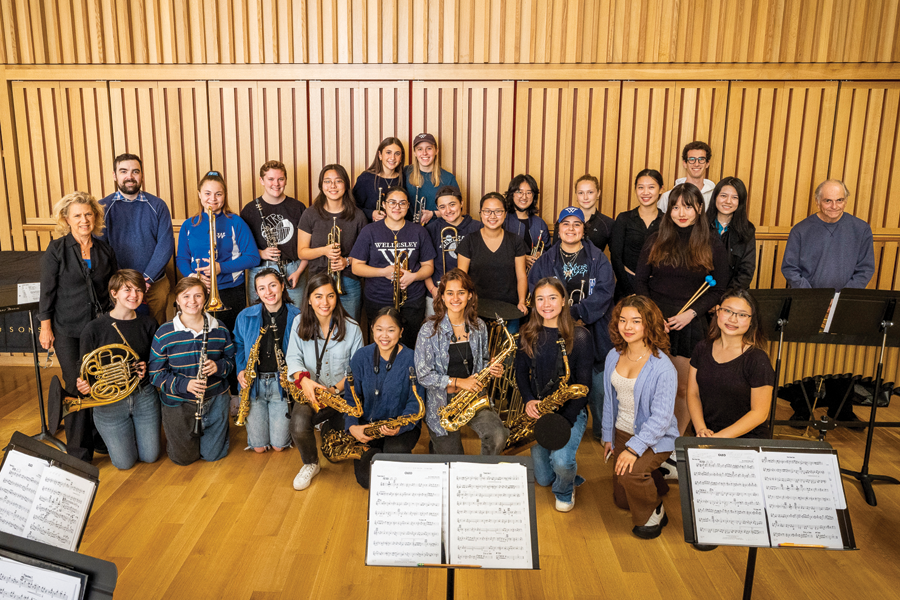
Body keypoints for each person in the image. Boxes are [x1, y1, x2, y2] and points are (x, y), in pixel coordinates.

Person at [634, 184, 728, 482]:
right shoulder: (655, 240)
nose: (681, 213)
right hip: (656, 323)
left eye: (688, 206)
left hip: (690, 322)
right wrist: (653, 316)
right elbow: (640, 282)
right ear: (668, 210)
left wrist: (692, 313)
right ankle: (650, 441)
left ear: (699, 208)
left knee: (684, 389)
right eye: (675, 207)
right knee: (652, 388)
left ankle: (673, 447)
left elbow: (720, 287)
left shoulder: (712, 243)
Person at [38, 191, 118, 462]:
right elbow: (47, 292)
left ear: (94, 216)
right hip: (67, 329)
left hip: (97, 329)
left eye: (88, 214)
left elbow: (112, 291)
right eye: (77, 215)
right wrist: (45, 327)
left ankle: (97, 439)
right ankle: (78, 454)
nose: (84, 220)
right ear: (66, 219)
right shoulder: (56, 250)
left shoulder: (105, 249)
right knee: (76, 386)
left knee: (98, 382)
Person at [529, 207, 615, 441]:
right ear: (558, 229)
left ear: (583, 229)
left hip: (592, 331)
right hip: (553, 330)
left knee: (597, 388)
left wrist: (573, 313)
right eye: (565, 224)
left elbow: (605, 292)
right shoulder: (546, 260)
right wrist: (556, 316)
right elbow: (536, 291)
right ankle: (557, 427)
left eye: (576, 224)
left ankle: (602, 435)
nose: (571, 228)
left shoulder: (598, 258)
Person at [175, 171, 259, 394]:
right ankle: (207, 389)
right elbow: (181, 258)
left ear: (225, 195)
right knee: (204, 340)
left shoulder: (235, 222)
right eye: (208, 193)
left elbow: (252, 257)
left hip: (231, 291)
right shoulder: (189, 225)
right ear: (199, 195)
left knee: (231, 339)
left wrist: (221, 268)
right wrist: (195, 277)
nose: (213, 199)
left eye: (218, 194)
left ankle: (233, 391)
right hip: (198, 293)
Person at [602, 295, 678, 539]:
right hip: (622, 430)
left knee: (632, 475)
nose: (628, 327)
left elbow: (661, 419)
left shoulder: (663, 367)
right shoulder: (613, 355)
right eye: (623, 320)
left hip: (655, 437)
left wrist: (633, 449)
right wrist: (608, 437)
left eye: (636, 321)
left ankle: (654, 511)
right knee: (622, 500)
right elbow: (608, 400)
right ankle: (657, 478)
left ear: (649, 324)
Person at [515, 278, 593, 512]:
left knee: (561, 462)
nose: (546, 304)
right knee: (543, 478)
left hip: (571, 412)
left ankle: (566, 489)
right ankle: (566, 474)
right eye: (540, 298)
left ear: (564, 301)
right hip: (540, 410)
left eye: (552, 298)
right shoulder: (528, 333)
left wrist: (563, 422)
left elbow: (584, 386)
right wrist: (529, 400)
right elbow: (520, 373)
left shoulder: (580, 336)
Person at [414, 269, 508, 455]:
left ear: (470, 295)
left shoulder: (479, 326)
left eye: (461, 292)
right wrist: (458, 382)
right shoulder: (428, 330)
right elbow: (423, 375)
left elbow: (482, 361)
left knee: (498, 436)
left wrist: (492, 369)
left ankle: (483, 473)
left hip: (473, 396)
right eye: (450, 293)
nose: (455, 298)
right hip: (442, 403)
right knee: (453, 459)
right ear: (442, 296)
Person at [286, 273, 364, 491]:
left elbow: (357, 369)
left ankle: (328, 427)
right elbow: (292, 358)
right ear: (309, 299)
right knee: (298, 425)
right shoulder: (297, 323)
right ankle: (311, 463)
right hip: (311, 392)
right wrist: (305, 381)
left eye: (330, 296)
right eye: (318, 296)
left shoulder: (353, 328)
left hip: (341, 395)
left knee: (336, 452)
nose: (325, 303)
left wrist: (335, 389)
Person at [76, 269, 160, 470]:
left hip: (143, 396)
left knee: (150, 457)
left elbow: (158, 361)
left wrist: (147, 368)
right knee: (124, 463)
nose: (134, 295)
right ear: (114, 293)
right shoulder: (94, 328)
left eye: (139, 290)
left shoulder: (148, 323)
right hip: (110, 402)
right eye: (127, 290)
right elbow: (85, 367)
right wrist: (83, 383)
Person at [149, 277, 235, 465]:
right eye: (186, 296)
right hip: (179, 403)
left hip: (214, 399)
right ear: (177, 300)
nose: (192, 301)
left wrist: (218, 367)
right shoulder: (164, 333)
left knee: (213, 456)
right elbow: (155, 374)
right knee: (183, 459)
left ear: (205, 298)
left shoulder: (218, 328)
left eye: (198, 295)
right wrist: (185, 384)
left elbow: (231, 362)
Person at [344, 308, 422, 489]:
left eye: (391, 330)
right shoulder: (361, 356)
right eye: (379, 329)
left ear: (401, 331)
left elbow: (415, 401)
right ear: (372, 329)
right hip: (367, 426)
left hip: (402, 427)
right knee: (366, 480)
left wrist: (400, 427)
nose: (384, 335)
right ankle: (379, 453)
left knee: (394, 460)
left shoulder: (413, 359)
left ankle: (388, 453)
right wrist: (352, 426)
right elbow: (351, 396)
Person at [350, 186, 435, 349]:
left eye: (402, 203)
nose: (397, 207)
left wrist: (413, 276)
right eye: (392, 202)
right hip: (378, 299)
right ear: (384, 205)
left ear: (408, 206)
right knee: (382, 346)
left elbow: (428, 267)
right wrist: (383, 272)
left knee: (410, 344)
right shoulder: (370, 231)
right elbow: (356, 267)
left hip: (412, 300)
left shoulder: (418, 231)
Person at [687, 288, 774, 440]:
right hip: (707, 435)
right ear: (717, 312)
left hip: (747, 440)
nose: (732, 319)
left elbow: (759, 413)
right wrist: (701, 429)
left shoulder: (757, 359)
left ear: (752, 321)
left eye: (742, 315)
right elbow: (693, 394)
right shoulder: (702, 348)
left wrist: (719, 438)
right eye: (727, 311)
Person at [99, 153, 174, 325]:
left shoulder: (157, 205)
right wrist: (126, 283)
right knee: (125, 326)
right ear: (114, 175)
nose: (129, 177)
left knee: (156, 327)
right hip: (120, 283)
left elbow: (165, 245)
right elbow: (101, 248)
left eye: (135, 171)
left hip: (154, 282)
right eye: (124, 171)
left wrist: (145, 279)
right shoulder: (103, 207)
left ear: (141, 175)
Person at [234, 269, 301, 453]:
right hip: (253, 384)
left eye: (272, 285)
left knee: (279, 446)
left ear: (281, 286)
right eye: (262, 288)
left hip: (281, 385)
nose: (268, 292)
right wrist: (241, 369)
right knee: (259, 448)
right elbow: (238, 345)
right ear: (257, 292)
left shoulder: (297, 316)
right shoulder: (245, 316)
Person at [297, 164, 368, 321]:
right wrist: (324, 251)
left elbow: (366, 253)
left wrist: (346, 261)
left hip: (349, 280)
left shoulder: (358, 216)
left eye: (338, 181)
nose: (333, 186)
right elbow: (302, 251)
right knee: (319, 327)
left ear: (346, 185)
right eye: (327, 181)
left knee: (350, 326)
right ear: (321, 186)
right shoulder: (310, 214)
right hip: (318, 279)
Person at [781, 179, 875, 291]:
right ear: (817, 201)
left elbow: (865, 268)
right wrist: (811, 296)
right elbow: (790, 268)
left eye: (839, 200)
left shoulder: (862, 229)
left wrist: (843, 297)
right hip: (809, 299)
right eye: (828, 201)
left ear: (845, 201)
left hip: (846, 300)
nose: (834, 206)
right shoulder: (800, 230)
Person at [240, 160, 309, 305]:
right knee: (260, 317)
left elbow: (309, 245)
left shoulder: (298, 207)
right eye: (270, 179)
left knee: (296, 317)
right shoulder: (250, 210)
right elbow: (240, 247)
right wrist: (260, 253)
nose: (276, 184)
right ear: (262, 180)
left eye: (280, 179)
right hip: (260, 270)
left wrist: (299, 271)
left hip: (293, 270)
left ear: (286, 180)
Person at [457, 192, 528, 328]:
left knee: (509, 348)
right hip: (476, 309)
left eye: (498, 211)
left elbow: (521, 276)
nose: (492, 216)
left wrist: (522, 301)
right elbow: (461, 279)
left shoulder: (516, 241)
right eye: (487, 211)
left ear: (505, 213)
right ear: (481, 213)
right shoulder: (469, 241)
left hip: (509, 308)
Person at [424, 186, 482, 317]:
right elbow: (424, 263)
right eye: (442, 207)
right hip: (437, 293)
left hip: (469, 295)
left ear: (461, 203)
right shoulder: (431, 229)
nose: (448, 210)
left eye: (452, 204)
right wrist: (433, 290)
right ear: (437, 209)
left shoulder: (477, 227)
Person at [609, 170, 664, 300]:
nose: (645, 192)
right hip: (626, 283)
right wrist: (629, 290)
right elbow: (616, 257)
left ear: (661, 189)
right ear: (635, 190)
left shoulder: (667, 222)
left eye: (651, 187)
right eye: (640, 187)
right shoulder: (624, 219)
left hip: (656, 286)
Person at [707, 177, 757, 289]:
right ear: (715, 197)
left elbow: (746, 270)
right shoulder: (700, 225)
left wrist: (728, 297)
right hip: (702, 294)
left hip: (733, 295)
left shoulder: (747, 230)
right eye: (723, 196)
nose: (728, 201)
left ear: (741, 202)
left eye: (735, 197)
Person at [405, 132, 459, 226]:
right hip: (409, 230)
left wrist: (433, 214)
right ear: (414, 152)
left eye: (429, 148)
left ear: (436, 151)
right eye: (420, 149)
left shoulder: (448, 178)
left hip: (437, 229)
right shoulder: (405, 172)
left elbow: (459, 210)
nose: (424, 153)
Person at [551, 174, 615, 251]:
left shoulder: (608, 223)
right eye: (581, 193)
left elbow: (615, 256)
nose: (585, 197)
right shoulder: (563, 220)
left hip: (595, 263)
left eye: (590, 192)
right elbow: (554, 251)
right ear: (576, 195)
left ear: (598, 193)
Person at [503, 174, 550, 271]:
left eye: (529, 193)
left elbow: (549, 250)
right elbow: (497, 251)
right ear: (512, 194)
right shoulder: (502, 220)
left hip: (534, 275)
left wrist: (540, 255)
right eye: (519, 192)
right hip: (507, 275)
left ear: (533, 196)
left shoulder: (540, 223)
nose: (524, 197)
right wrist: (521, 258)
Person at [353, 137, 405, 221]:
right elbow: (353, 206)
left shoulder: (404, 178)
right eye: (388, 152)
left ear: (401, 158)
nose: (392, 157)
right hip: (371, 230)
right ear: (380, 155)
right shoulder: (366, 178)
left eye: (397, 153)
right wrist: (371, 213)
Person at [658, 141, 715, 211]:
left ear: (707, 163)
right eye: (691, 159)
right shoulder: (667, 197)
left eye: (701, 159)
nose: (696, 164)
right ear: (684, 163)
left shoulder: (715, 196)